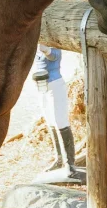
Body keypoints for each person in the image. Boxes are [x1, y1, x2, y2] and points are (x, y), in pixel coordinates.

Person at [31, 44, 85, 185]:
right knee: (50, 121)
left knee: (60, 121)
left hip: (55, 84)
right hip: (41, 85)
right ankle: (59, 158)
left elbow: (55, 56)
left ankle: (70, 164)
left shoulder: (51, 42)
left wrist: (44, 49)